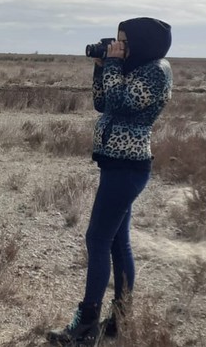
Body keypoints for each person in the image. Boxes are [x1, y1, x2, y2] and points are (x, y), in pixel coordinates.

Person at [47, 17, 172, 345]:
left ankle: (87, 323)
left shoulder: (156, 71)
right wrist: (103, 66)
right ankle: (119, 320)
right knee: (117, 242)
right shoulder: (134, 68)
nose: (118, 47)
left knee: (97, 240)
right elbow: (102, 102)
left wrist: (114, 64)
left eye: (124, 42)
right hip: (116, 165)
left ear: (143, 44)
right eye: (117, 42)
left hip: (128, 168)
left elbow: (123, 103)